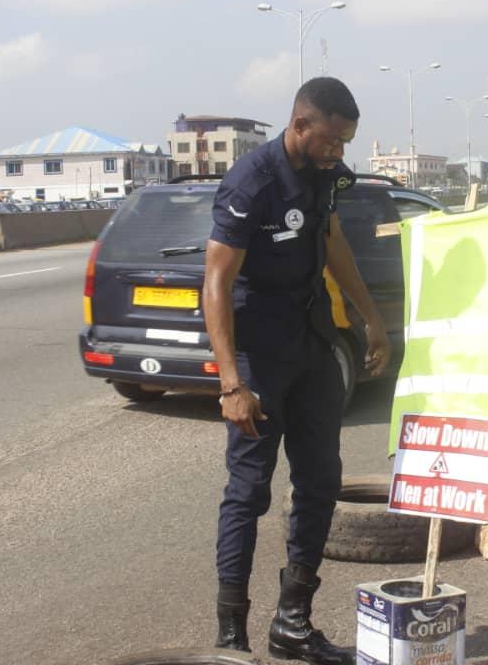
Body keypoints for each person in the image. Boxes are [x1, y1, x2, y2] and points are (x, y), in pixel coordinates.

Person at [202, 76, 391, 662]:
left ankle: (293, 623)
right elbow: (216, 282)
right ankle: (231, 634)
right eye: (332, 139)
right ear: (300, 124)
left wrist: (371, 319)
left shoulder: (327, 177)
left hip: (310, 341)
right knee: (249, 491)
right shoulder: (251, 182)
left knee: (320, 480)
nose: (340, 151)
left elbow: (333, 241)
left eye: (347, 142)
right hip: (258, 351)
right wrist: (231, 383)